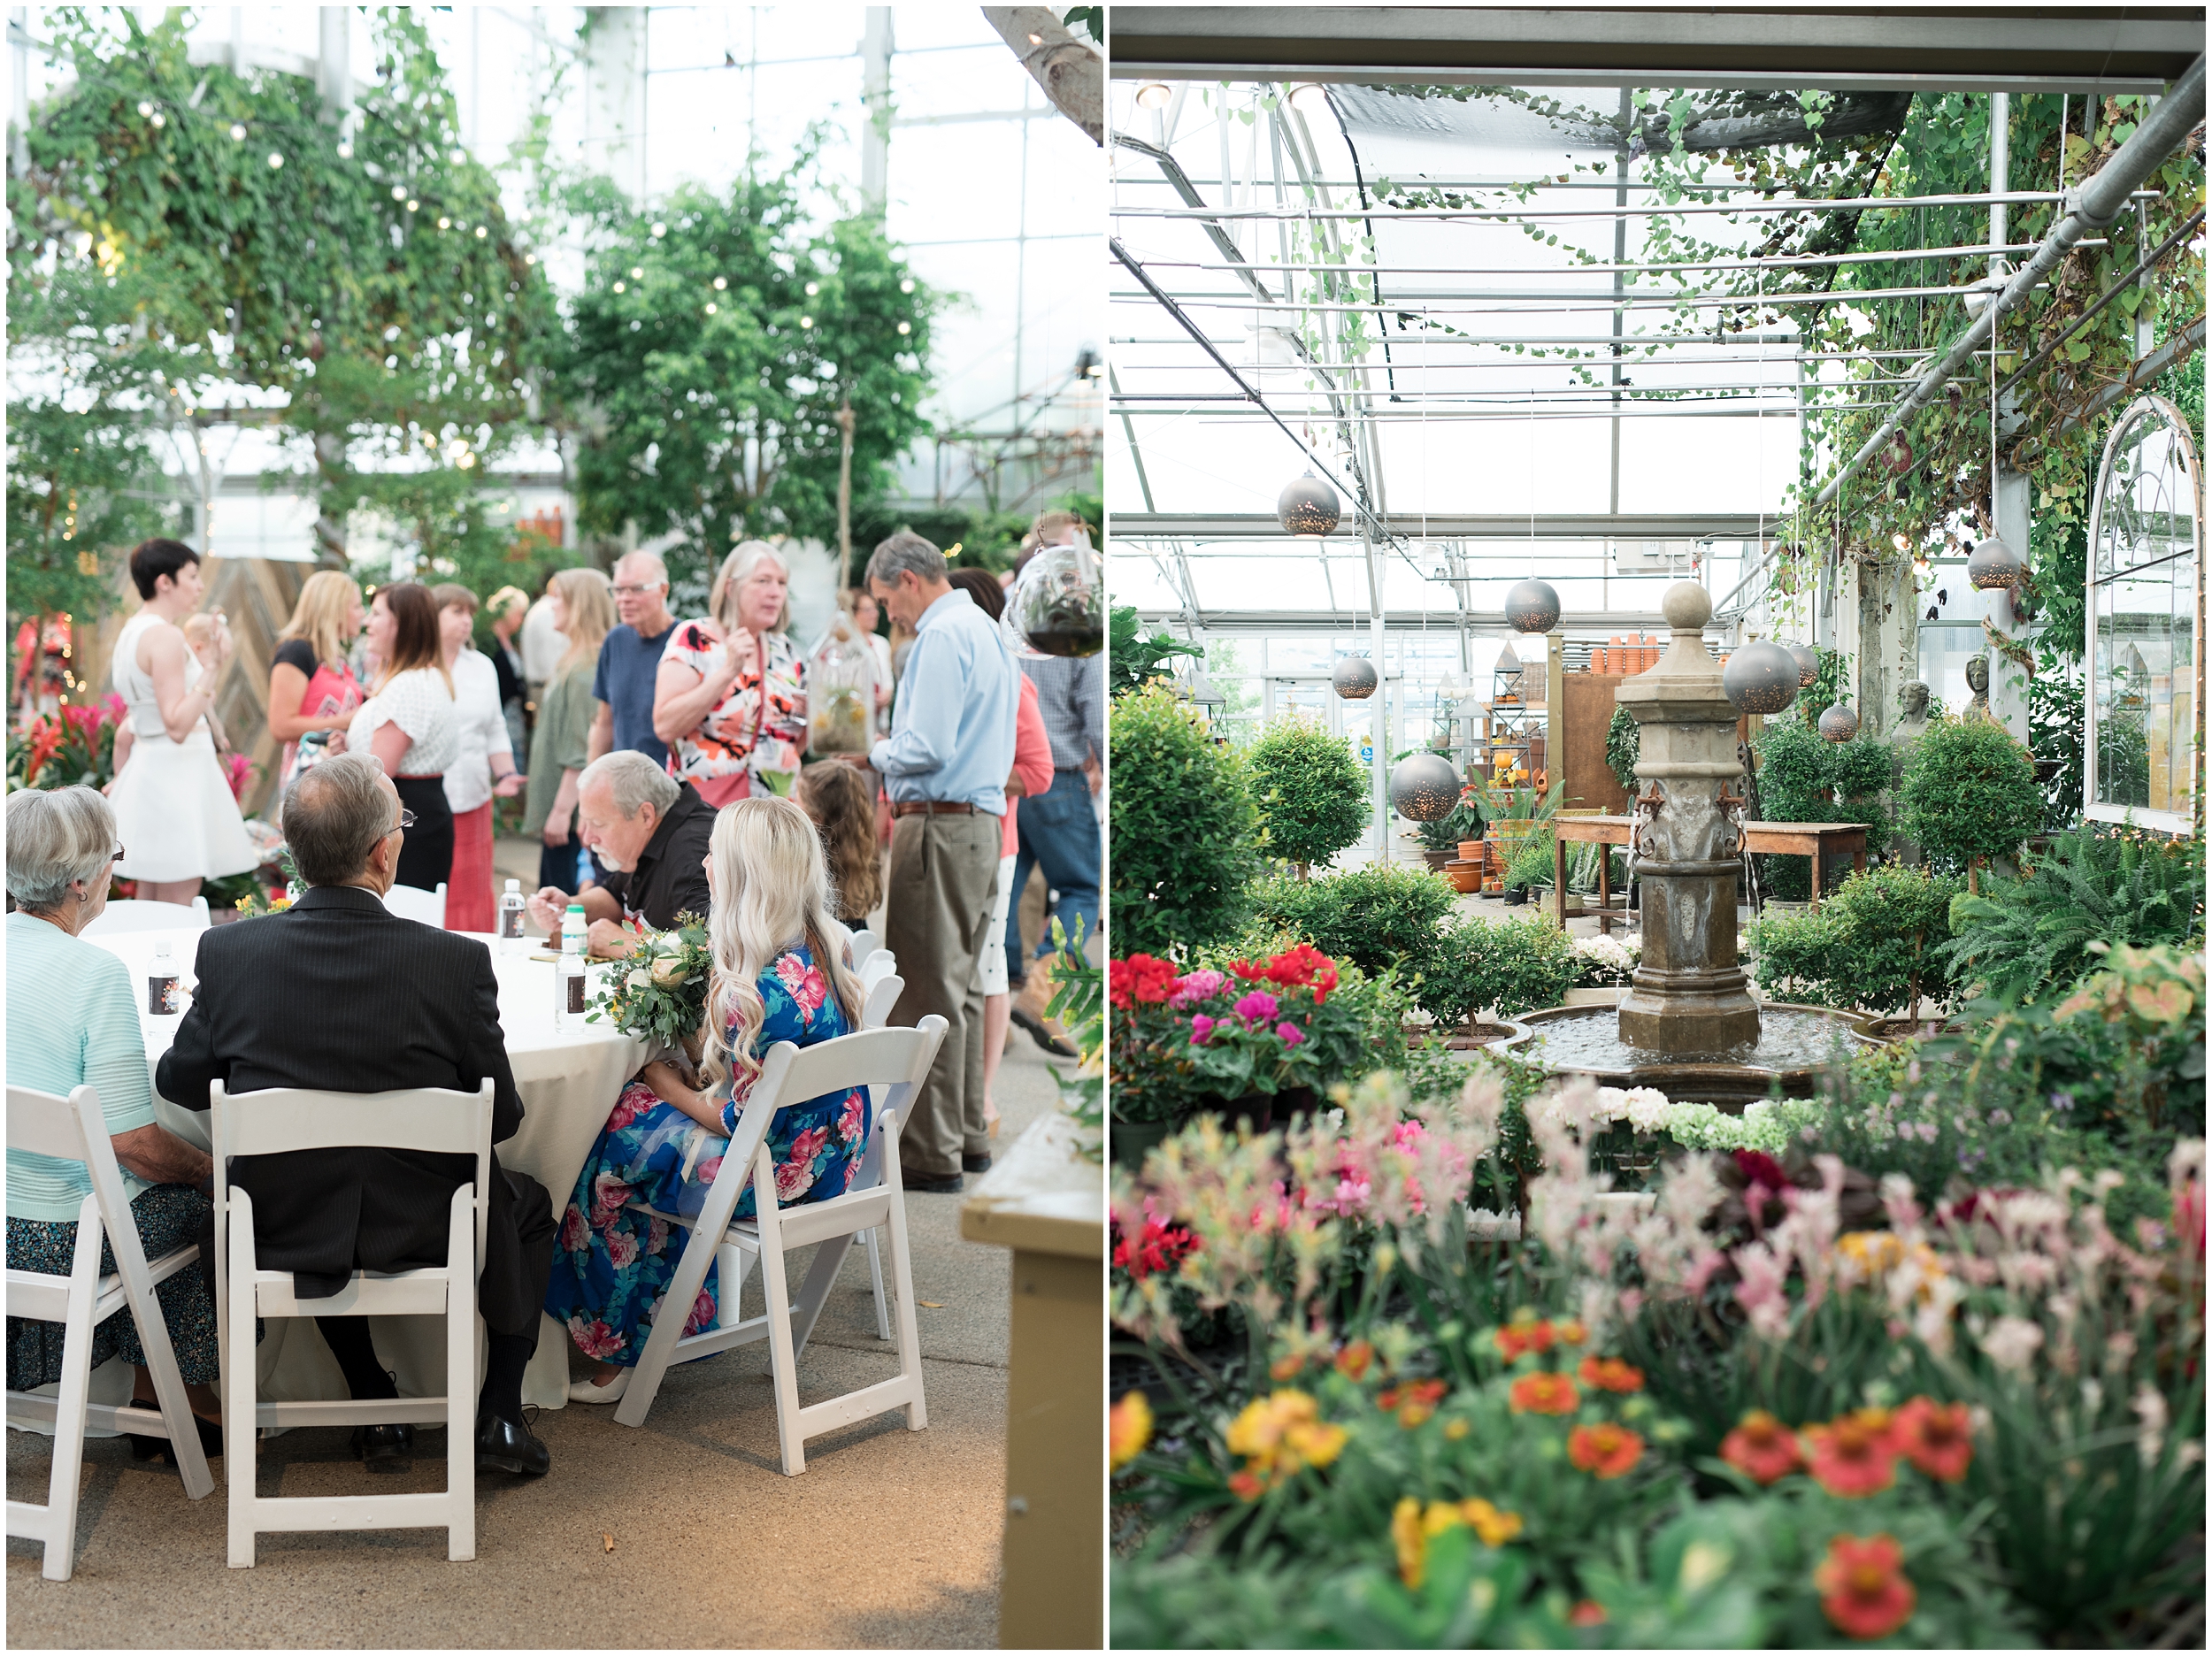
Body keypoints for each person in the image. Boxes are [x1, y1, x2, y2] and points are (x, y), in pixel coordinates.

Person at [156, 755, 557, 1477]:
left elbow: (181, 1082)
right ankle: (497, 1412)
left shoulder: (229, 953)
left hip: (278, 1222)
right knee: (522, 1203)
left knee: (326, 1175)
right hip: (429, 1223)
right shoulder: (454, 963)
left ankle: (372, 1396)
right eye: (401, 824)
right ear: (383, 851)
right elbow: (499, 1118)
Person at [550, 796, 870, 1403]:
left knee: (610, 1134)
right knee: (642, 1128)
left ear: (745, 876)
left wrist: (658, 1079)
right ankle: (674, 1320)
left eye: (715, 856)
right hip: (835, 1157)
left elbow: (732, 1120)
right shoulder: (828, 948)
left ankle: (619, 1346)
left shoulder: (755, 996)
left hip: (771, 1174)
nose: (703, 867)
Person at [6, 786, 233, 1467]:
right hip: (54, 1240)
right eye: (114, 858)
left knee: (147, 1201)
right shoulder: (96, 975)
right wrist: (210, 1167)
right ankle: (178, 1398)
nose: (116, 871)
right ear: (81, 880)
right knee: (195, 1202)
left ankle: (153, 1397)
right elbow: (135, 1147)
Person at [860, 531, 1018, 1194]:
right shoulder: (988, 631)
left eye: (885, 599)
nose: (889, 614)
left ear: (907, 579)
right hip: (979, 826)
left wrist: (873, 751)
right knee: (967, 988)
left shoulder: (940, 636)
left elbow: (924, 747)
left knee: (926, 991)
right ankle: (967, 1138)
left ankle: (930, 1152)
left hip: (940, 828)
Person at [946, 569, 1058, 1129]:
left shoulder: (1011, 678)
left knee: (988, 971)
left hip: (993, 841)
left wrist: (975, 777)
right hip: (950, 838)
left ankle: (983, 1098)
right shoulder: (955, 671)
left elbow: (1038, 772)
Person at [106, 539, 258, 905]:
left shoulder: (131, 632)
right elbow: (176, 725)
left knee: (150, 899)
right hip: (177, 775)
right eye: (192, 576)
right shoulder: (166, 636)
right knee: (176, 904)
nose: (200, 586)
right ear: (165, 582)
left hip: (152, 770)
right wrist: (213, 668)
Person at [1005, 515, 1105, 1053]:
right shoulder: (1077, 625)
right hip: (1059, 780)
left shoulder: (1011, 618)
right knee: (1083, 887)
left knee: (1009, 886)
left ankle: (999, 1000)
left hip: (1008, 780)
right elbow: (1094, 709)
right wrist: (1108, 764)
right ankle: (1042, 989)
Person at [653, 540, 809, 808]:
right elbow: (665, 726)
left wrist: (811, 714)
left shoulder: (784, 649)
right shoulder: (696, 638)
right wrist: (728, 671)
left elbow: (791, 742)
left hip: (777, 814)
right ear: (731, 588)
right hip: (709, 813)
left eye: (781, 583)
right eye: (763, 581)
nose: (775, 593)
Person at [527, 751, 715, 958]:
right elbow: (617, 899)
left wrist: (624, 944)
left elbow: (707, 942)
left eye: (598, 824)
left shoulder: (693, 850)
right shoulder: (651, 832)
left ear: (646, 815)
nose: (588, 838)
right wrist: (570, 908)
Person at [348, 582, 459, 898]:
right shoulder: (421, 678)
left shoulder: (407, 686)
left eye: (377, 614)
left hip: (400, 823)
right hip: (417, 816)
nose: (368, 622)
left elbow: (377, 772)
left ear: (402, 624)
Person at [434, 584, 525, 932]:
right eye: (456, 612)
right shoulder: (413, 665)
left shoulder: (482, 666)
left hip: (472, 795)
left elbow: (495, 727)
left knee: (471, 890)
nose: (467, 621)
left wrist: (505, 774)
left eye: (470, 613)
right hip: (423, 801)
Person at [520, 567, 615, 898]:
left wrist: (561, 812)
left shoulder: (587, 667)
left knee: (562, 903)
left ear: (580, 604)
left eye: (558, 597)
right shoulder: (574, 658)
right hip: (569, 807)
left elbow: (582, 747)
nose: (551, 605)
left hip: (573, 814)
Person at [267, 570, 366, 796]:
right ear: (336, 609)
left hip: (340, 778)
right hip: (311, 783)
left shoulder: (337, 659)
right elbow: (280, 726)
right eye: (357, 606)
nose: (362, 614)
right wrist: (349, 720)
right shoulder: (296, 651)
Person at [588, 551, 679, 769]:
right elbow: (605, 722)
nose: (625, 598)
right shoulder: (615, 640)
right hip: (624, 782)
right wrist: (589, 783)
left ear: (663, 590)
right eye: (618, 590)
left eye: (637, 589)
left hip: (675, 784)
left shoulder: (686, 640)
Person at [795, 760, 885, 926]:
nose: (792, 804)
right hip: (856, 937)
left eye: (798, 802)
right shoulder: (861, 853)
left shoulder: (810, 864)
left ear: (816, 819)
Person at [485, 585, 531, 763]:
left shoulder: (510, 642)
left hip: (514, 709)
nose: (521, 619)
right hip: (502, 708)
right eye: (519, 614)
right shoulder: (491, 643)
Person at [518, 575, 565, 706]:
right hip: (546, 687)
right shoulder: (548, 612)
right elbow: (552, 657)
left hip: (541, 686)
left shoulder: (540, 609)